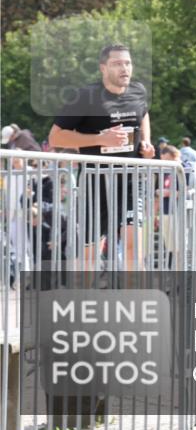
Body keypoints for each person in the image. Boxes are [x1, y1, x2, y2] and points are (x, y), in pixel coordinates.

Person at [48, 43, 155, 270]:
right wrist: (100, 139)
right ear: (103, 68)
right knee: (91, 251)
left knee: (133, 243)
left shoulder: (138, 90)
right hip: (95, 181)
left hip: (130, 178)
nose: (124, 68)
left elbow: (144, 114)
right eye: (117, 64)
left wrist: (146, 142)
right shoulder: (86, 97)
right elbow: (55, 137)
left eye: (128, 63)